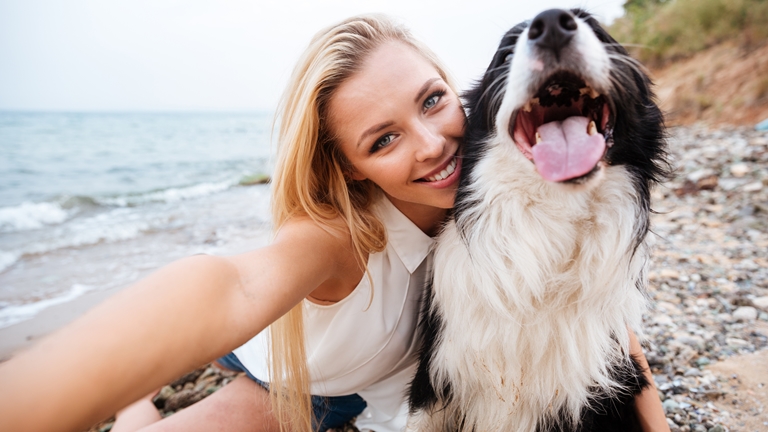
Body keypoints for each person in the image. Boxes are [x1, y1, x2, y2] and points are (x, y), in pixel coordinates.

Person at [0, 14, 668, 432]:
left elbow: (597, 308)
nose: (434, 145)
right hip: (300, 375)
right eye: (382, 141)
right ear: (346, 167)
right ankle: (136, 400)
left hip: (366, 368)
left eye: (433, 101)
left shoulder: (502, 186)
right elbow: (230, 290)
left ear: (457, 90)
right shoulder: (337, 239)